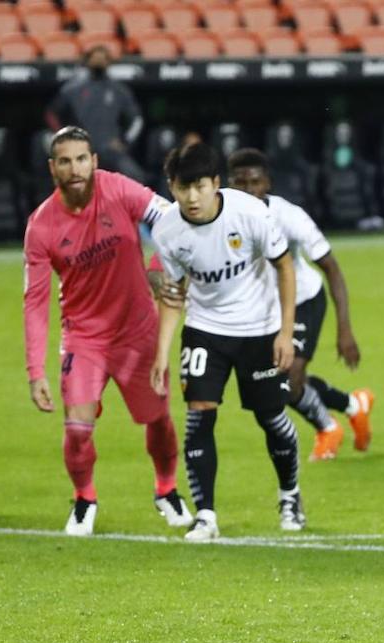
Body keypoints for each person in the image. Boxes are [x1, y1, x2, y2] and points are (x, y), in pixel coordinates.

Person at [23, 125, 190, 536]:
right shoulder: (41, 226)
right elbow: (35, 303)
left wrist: (156, 268)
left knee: (159, 421)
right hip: (84, 338)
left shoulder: (117, 189)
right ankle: (84, 500)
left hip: (138, 332)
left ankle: (166, 490)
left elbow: (171, 218)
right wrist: (35, 371)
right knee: (77, 430)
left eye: (82, 159)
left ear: (95, 162)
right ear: (53, 168)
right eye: (65, 161)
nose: (75, 168)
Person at [148, 143, 302, 541]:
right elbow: (174, 293)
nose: (192, 197)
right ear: (171, 187)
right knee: (199, 413)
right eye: (183, 188)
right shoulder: (167, 230)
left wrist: (286, 333)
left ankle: (290, 494)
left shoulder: (250, 213)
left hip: (259, 328)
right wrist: (161, 353)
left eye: (199, 186)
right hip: (205, 329)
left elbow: (284, 267)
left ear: (215, 183)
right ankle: (206, 515)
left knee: (270, 417)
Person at [226, 147, 374, 461]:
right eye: (240, 183)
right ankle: (353, 405)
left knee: (287, 378)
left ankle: (327, 427)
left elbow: (331, 268)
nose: (249, 190)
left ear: (267, 182)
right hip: (262, 309)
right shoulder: (223, 214)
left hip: (304, 299)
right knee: (274, 381)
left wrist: (344, 330)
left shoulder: (288, 215)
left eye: (255, 182)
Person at [44, 45, 146, 183]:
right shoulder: (73, 89)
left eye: (103, 57)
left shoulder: (119, 90)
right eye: (95, 57)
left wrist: (124, 141)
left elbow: (136, 120)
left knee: (137, 178)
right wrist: (63, 137)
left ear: (109, 61)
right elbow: (52, 114)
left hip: (111, 150)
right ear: (87, 61)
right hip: (81, 150)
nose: (99, 60)